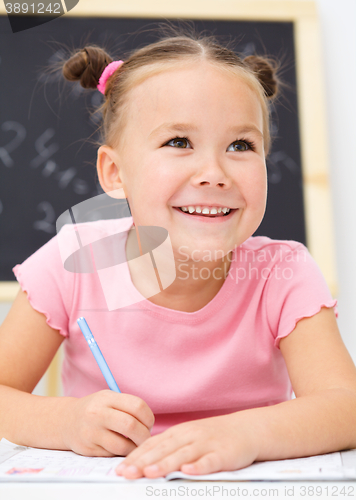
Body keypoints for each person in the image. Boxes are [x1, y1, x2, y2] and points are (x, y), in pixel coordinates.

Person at [0, 25, 356, 481]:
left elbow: (345, 407)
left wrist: (245, 434)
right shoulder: (73, 260)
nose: (214, 172)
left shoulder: (283, 272)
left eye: (241, 145)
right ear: (114, 172)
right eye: (179, 142)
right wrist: (66, 422)